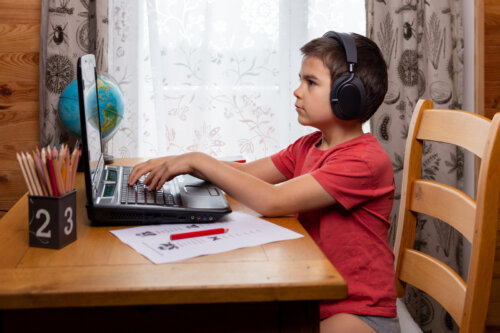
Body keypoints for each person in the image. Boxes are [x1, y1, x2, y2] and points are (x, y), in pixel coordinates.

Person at [128, 31, 399, 333]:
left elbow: (273, 201)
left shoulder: (363, 161)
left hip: (357, 310)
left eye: (310, 83)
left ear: (348, 96)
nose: (297, 91)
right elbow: (248, 175)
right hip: (310, 298)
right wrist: (181, 163)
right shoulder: (309, 145)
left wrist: (199, 160)